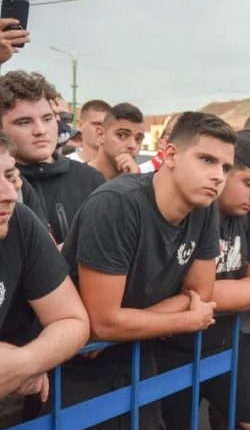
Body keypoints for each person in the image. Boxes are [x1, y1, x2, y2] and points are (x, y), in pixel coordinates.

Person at [59, 111, 230, 430]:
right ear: (169, 155)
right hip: (76, 367)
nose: (218, 176)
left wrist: (127, 324)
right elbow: (103, 322)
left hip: (138, 354)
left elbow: (200, 293)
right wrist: (186, 320)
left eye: (225, 167)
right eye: (207, 160)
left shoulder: (205, 208)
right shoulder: (117, 204)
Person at [158, 129, 250, 430]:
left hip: (224, 340)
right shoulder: (190, 208)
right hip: (165, 347)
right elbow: (199, 293)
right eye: (249, 183)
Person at [0, 130, 89, 404]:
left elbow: (72, 320)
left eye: (10, 176)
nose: (9, 195)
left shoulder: (20, 223)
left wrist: (24, 362)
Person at [0, 71, 104, 244]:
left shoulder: (91, 179)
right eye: (24, 122)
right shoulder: (7, 189)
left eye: (47, 119)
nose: (40, 130)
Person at [87, 103, 144, 180]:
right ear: (101, 135)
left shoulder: (140, 183)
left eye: (138, 139)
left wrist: (134, 182)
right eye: (122, 135)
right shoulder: (75, 178)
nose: (133, 145)